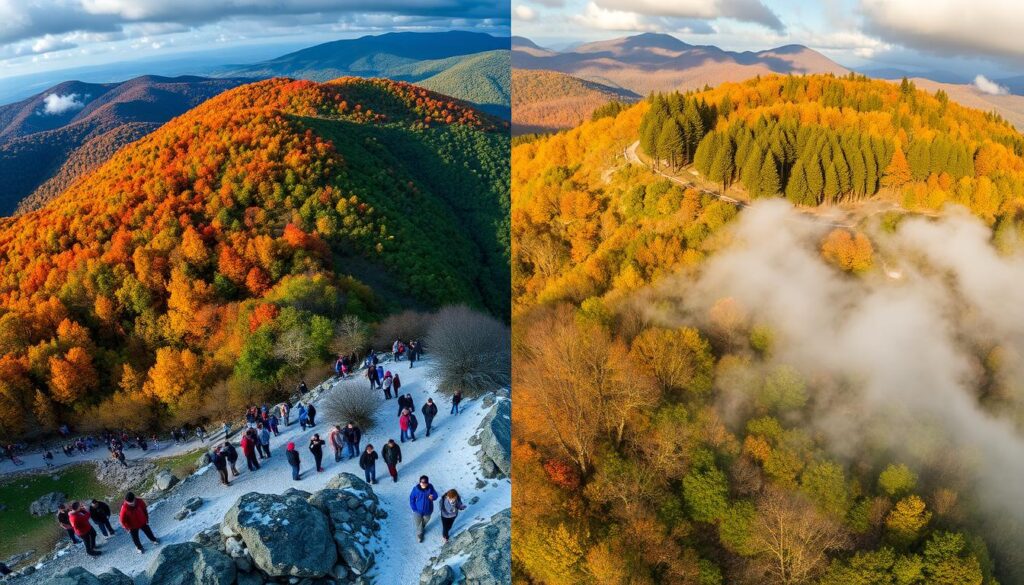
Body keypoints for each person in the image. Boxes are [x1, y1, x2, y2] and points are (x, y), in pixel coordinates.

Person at [409, 475, 439, 543]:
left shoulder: (430, 487)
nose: (423, 483)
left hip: (428, 510)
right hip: (418, 510)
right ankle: (420, 535)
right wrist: (414, 508)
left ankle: (421, 529)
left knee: (425, 521)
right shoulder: (416, 489)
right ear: (419, 482)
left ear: (427, 483)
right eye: (421, 482)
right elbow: (412, 498)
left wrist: (433, 497)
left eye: (425, 482)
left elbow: (436, 495)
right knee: (418, 524)